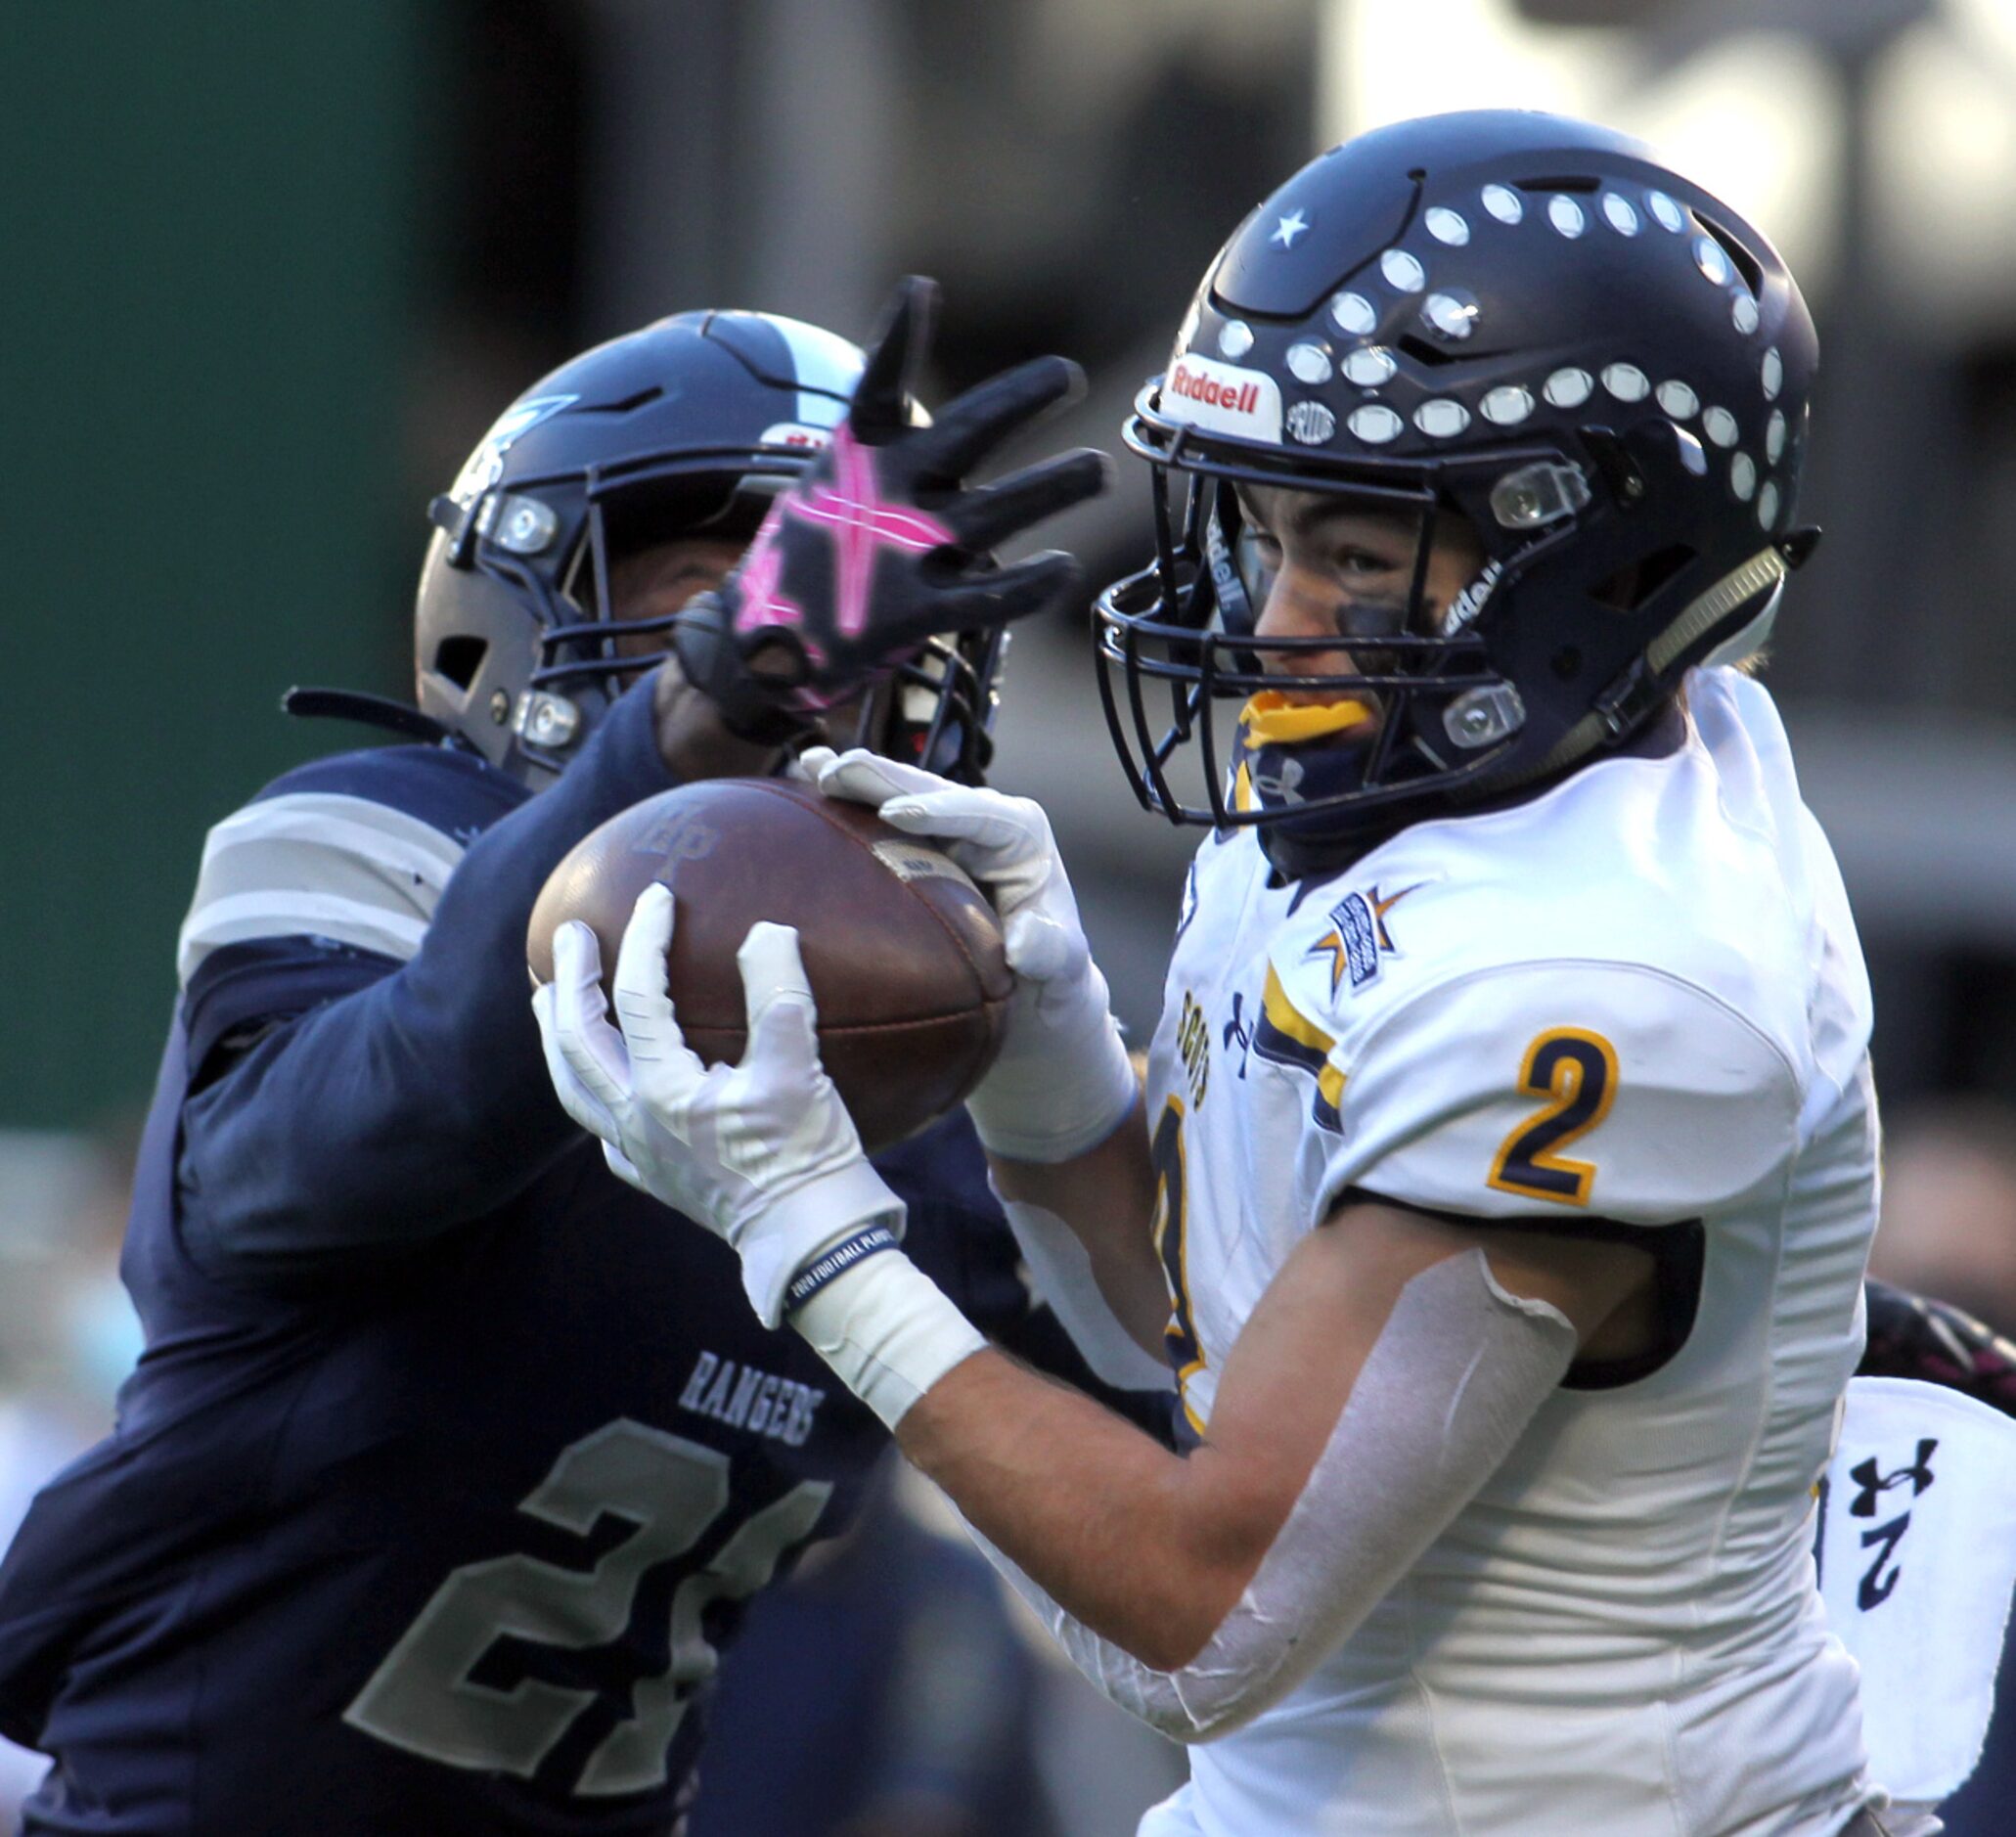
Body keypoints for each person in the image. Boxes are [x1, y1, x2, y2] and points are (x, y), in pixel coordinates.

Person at [540, 113, 1931, 1834]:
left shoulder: (1598, 972)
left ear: (1597, 559)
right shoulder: (1462, 787)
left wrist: (811, 1236)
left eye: (1355, 554)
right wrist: (1048, 1064)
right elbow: (1180, 1337)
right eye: (1264, 534)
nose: (1275, 622)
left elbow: (1200, 1618)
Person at [0, 290, 1131, 1835]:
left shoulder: (910, 1063)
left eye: (830, 633)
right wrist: (694, 719)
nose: (794, 675)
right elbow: (331, 1141)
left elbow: (1195, 1456)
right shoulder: (384, 837)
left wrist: (1104, 1104)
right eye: (705, 607)